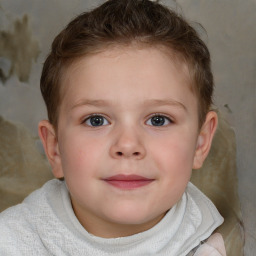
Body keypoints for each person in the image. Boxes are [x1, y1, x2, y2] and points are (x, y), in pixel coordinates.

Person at [0, 0, 227, 255]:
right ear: (54, 148)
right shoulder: (10, 243)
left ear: (201, 141)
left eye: (158, 120)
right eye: (96, 120)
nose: (128, 145)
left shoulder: (210, 246)